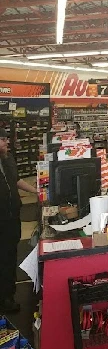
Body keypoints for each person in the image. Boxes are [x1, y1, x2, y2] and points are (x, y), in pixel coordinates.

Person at [0, 129, 38, 313]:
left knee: (10, 255)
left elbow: (16, 181)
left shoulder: (8, 159)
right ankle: (5, 299)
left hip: (12, 217)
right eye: (2, 139)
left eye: (6, 138)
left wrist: (36, 191)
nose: (6, 142)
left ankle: (9, 294)